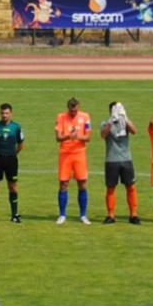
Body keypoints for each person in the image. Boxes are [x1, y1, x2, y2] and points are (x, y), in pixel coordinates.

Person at [54, 96, 93, 224]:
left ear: (78, 107)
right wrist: (68, 136)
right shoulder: (61, 117)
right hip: (65, 154)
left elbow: (88, 137)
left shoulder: (85, 117)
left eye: (75, 111)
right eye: (71, 111)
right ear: (68, 108)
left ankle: (83, 215)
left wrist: (78, 136)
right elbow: (58, 137)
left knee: (82, 183)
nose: (73, 113)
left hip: (79, 154)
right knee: (64, 183)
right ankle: (62, 215)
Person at [0, 103, 26, 223]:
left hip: (11, 160)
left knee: (13, 187)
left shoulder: (17, 127)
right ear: (0, 113)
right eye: (2, 113)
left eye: (7, 113)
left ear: (11, 114)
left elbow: (21, 145)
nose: (4, 115)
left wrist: (12, 154)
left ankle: (15, 215)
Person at [101, 102, 141, 225]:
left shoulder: (125, 122)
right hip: (111, 160)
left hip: (126, 159)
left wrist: (125, 117)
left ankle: (133, 214)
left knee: (131, 187)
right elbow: (103, 135)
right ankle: (111, 215)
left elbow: (134, 130)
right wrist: (111, 120)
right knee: (111, 188)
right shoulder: (105, 123)